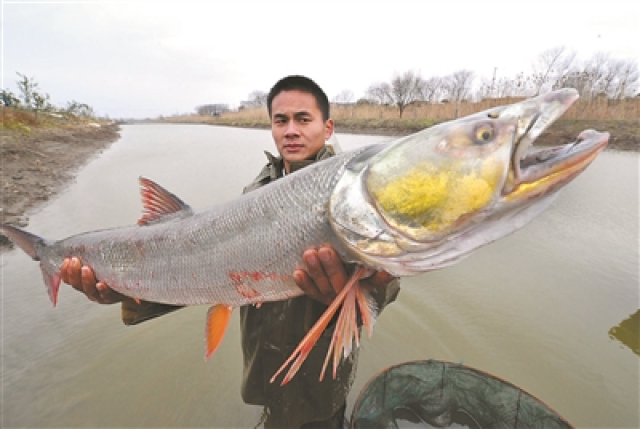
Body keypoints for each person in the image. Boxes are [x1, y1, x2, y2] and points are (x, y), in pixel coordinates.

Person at [60, 75, 401, 428]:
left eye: (303, 119)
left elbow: (387, 282)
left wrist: (375, 284)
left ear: (327, 127)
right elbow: (216, 274)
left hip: (319, 383)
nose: (291, 131)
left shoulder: (354, 192)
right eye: (280, 120)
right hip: (262, 373)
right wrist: (130, 294)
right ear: (270, 127)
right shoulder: (254, 190)